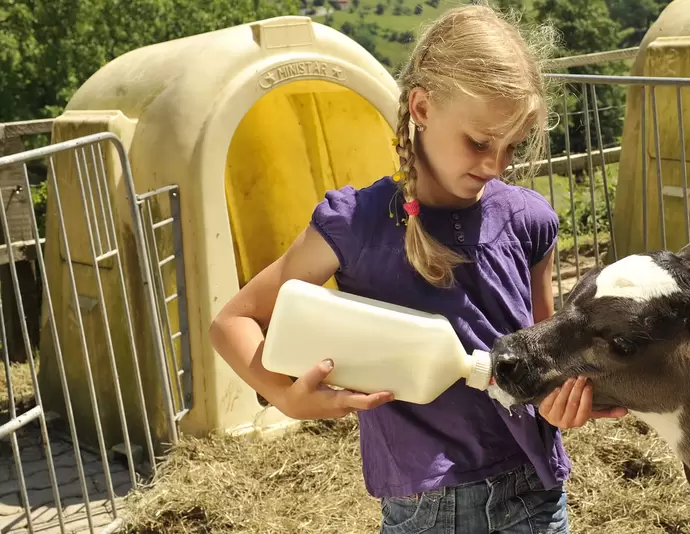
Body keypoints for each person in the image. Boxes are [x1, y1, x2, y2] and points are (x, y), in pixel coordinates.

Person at [208, 3, 627, 532]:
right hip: (425, 509)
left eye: (511, 147)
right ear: (423, 108)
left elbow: (539, 354)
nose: (494, 165)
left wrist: (571, 398)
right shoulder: (356, 224)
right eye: (478, 142)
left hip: (534, 493)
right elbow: (232, 323)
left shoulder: (530, 221)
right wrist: (288, 397)